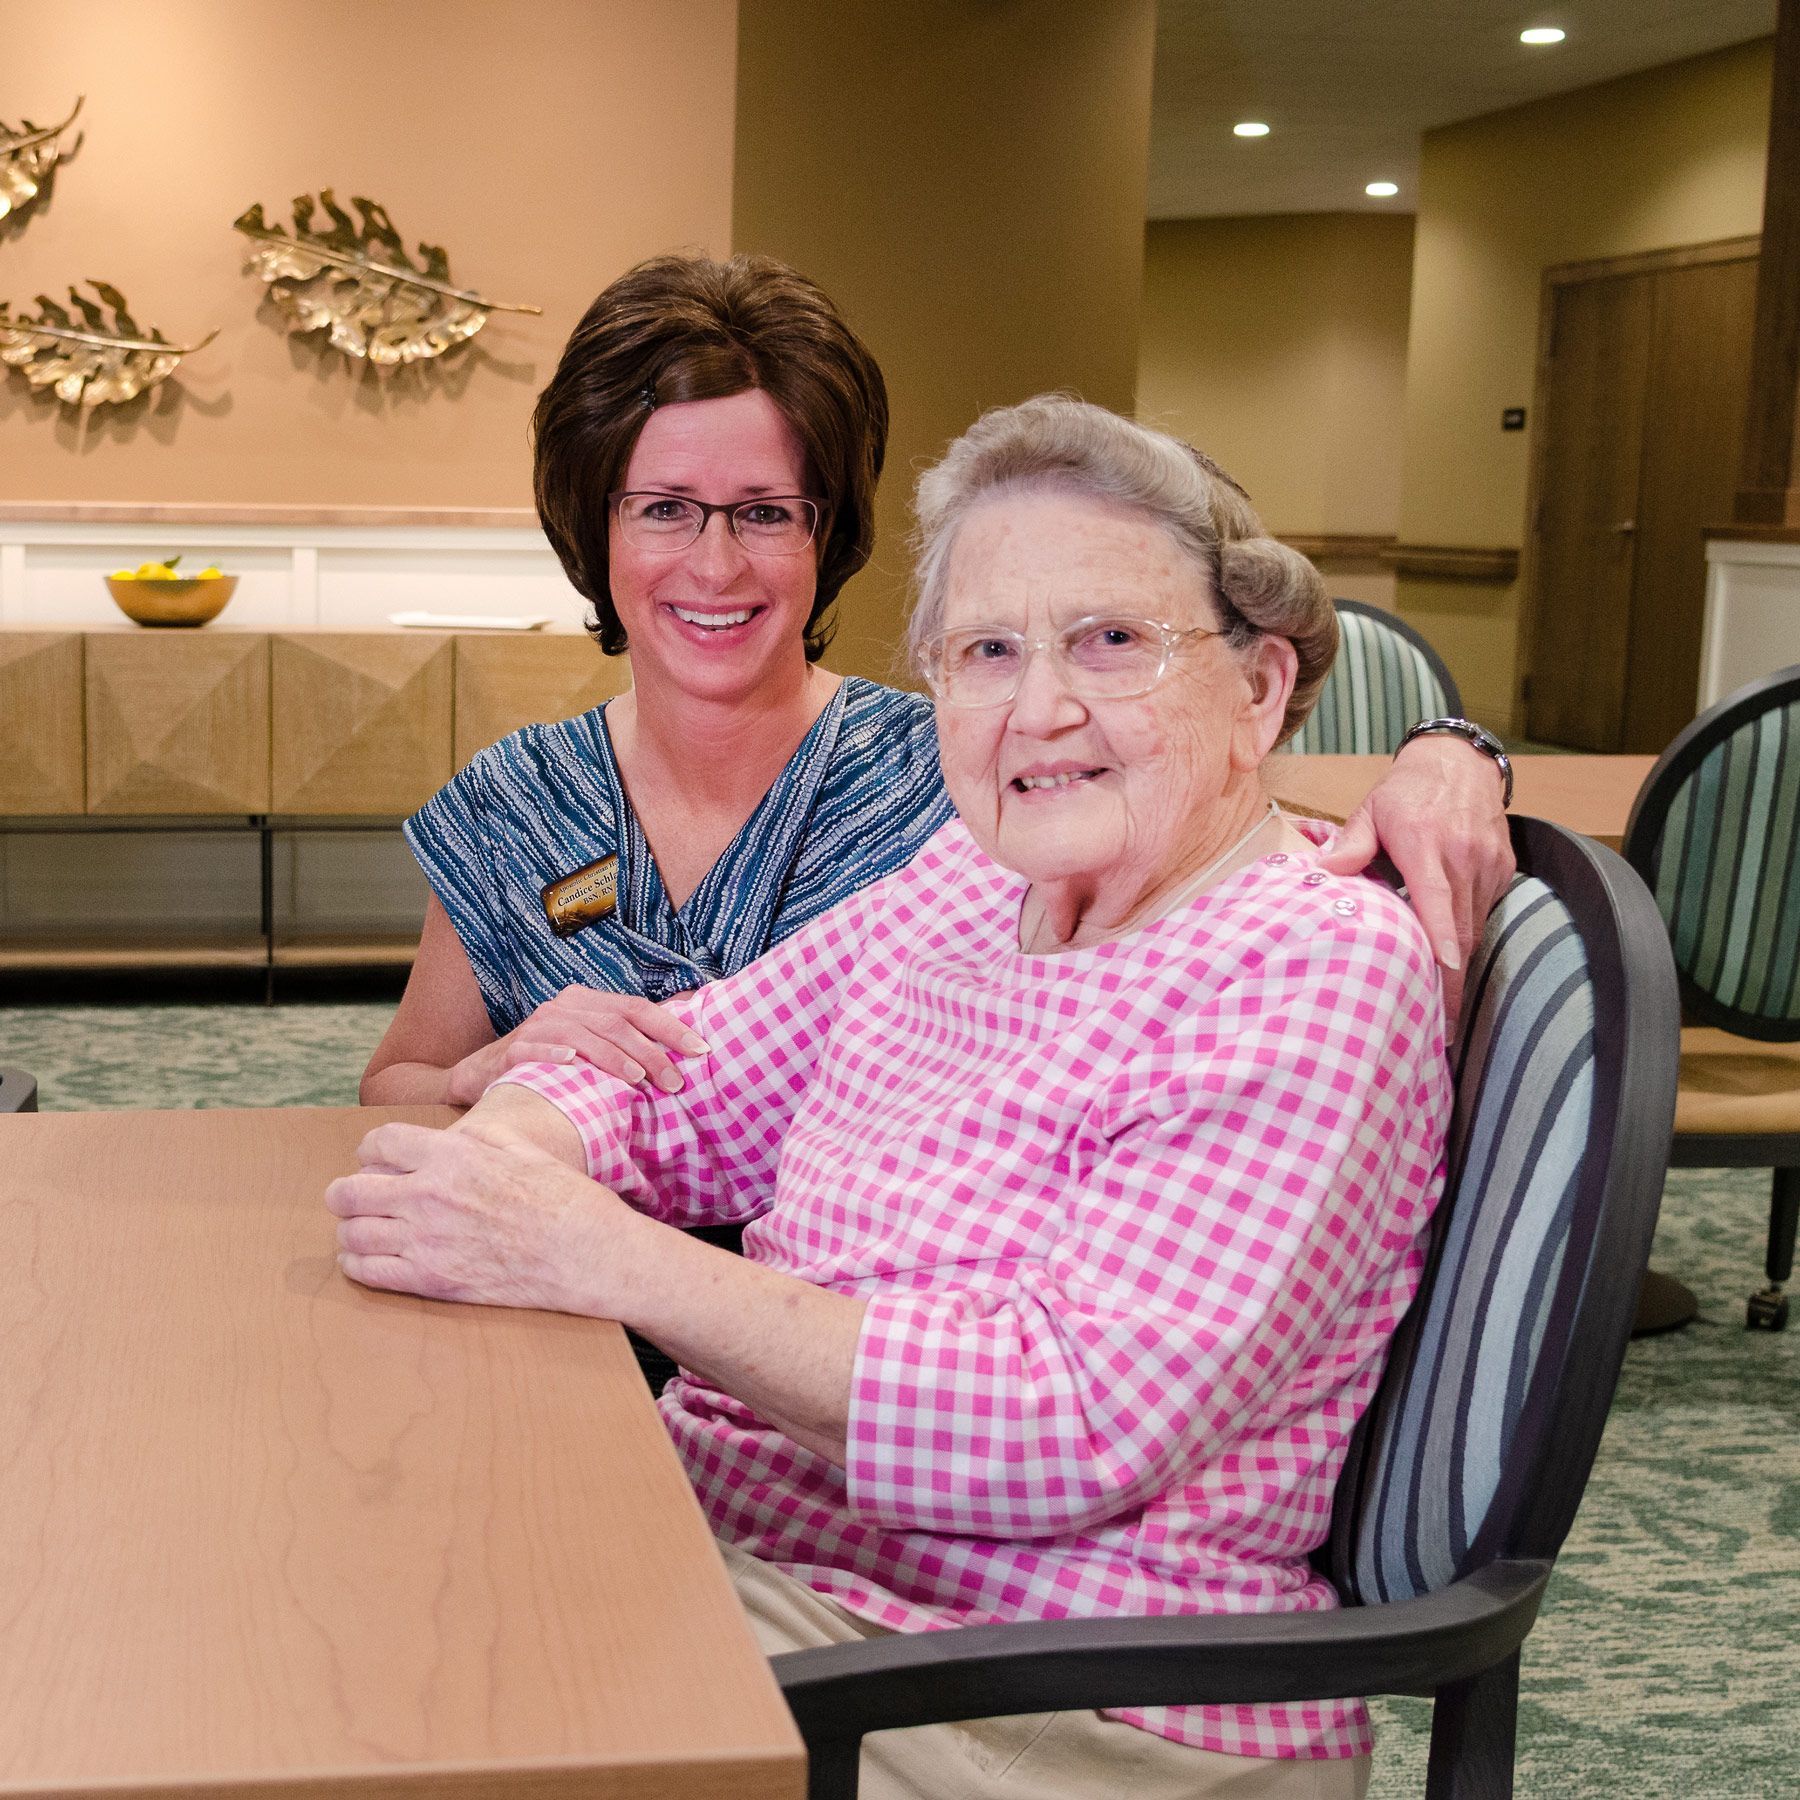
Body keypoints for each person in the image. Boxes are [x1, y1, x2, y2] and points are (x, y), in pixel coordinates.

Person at [329, 397, 1453, 1798]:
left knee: (404, 1675)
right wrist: (510, 1155)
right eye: (987, 652)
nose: (1038, 709)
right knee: (345, 1555)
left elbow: (1063, 1424)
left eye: (1112, 641)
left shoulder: (1303, 963)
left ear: (1260, 689)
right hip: (786, 1581)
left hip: (1057, 1700)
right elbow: (677, 1079)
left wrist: (594, 1253)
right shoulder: (973, 887)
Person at [360, 253, 1510, 1119]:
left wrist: (1452, 752)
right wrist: (480, 1075)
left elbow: (1244, 848)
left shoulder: (967, 772)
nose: (715, 564)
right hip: (546, 1307)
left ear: (831, 535)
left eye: (766, 513)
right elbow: (395, 1083)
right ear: (592, 527)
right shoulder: (516, 805)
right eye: (663, 508)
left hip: (868, 1329)